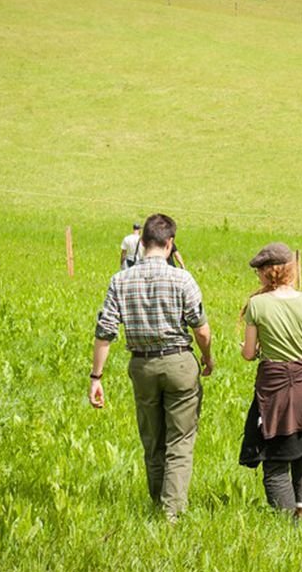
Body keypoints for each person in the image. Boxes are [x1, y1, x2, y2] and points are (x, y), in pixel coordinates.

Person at [88, 214, 214, 522]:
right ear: (170, 243)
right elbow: (201, 329)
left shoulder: (120, 280)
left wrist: (96, 377)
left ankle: (158, 502)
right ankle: (172, 512)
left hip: (142, 366)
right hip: (179, 362)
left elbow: (105, 332)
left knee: (152, 439)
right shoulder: (182, 279)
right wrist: (207, 357)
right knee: (180, 441)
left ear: (142, 242)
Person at [238, 243, 302, 519]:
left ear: (268, 272)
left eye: (259, 271)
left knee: (274, 459)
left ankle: (285, 524)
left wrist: (252, 349)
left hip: (275, 389)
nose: (258, 275)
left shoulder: (257, 305)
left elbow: (249, 354)